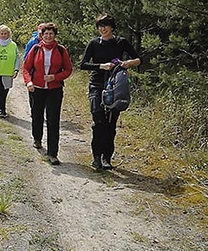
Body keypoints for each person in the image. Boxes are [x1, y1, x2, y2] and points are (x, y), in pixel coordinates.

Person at [80, 13, 142, 170]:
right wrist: (101, 66)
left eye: (105, 25)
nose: (102, 29)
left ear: (112, 27)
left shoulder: (121, 42)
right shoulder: (94, 44)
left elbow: (138, 59)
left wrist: (128, 63)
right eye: (100, 26)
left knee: (111, 123)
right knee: (98, 121)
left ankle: (107, 158)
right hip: (97, 85)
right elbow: (83, 64)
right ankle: (96, 157)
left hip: (116, 86)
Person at [22, 23, 73, 165]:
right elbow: (26, 68)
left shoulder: (61, 50)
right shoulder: (36, 48)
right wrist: (29, 82)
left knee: (53, 120)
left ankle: (52, 153)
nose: (48, 36)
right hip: (37, 88)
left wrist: (55, 77)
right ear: (42, 35)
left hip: (54, 90)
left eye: (51, 34)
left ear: (55, 35)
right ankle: (37, 138)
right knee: (37, 115)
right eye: (46, 34)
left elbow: (68, 70)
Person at [0, 25, 21, 118]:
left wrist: (16, 69)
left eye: (5, 33)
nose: (4, 35)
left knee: (5, 91)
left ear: (8, 34)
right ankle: (2, 109)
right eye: (2, 33)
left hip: (8, 72)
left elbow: (18, 57)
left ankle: (1, 106)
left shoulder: (13, 45)